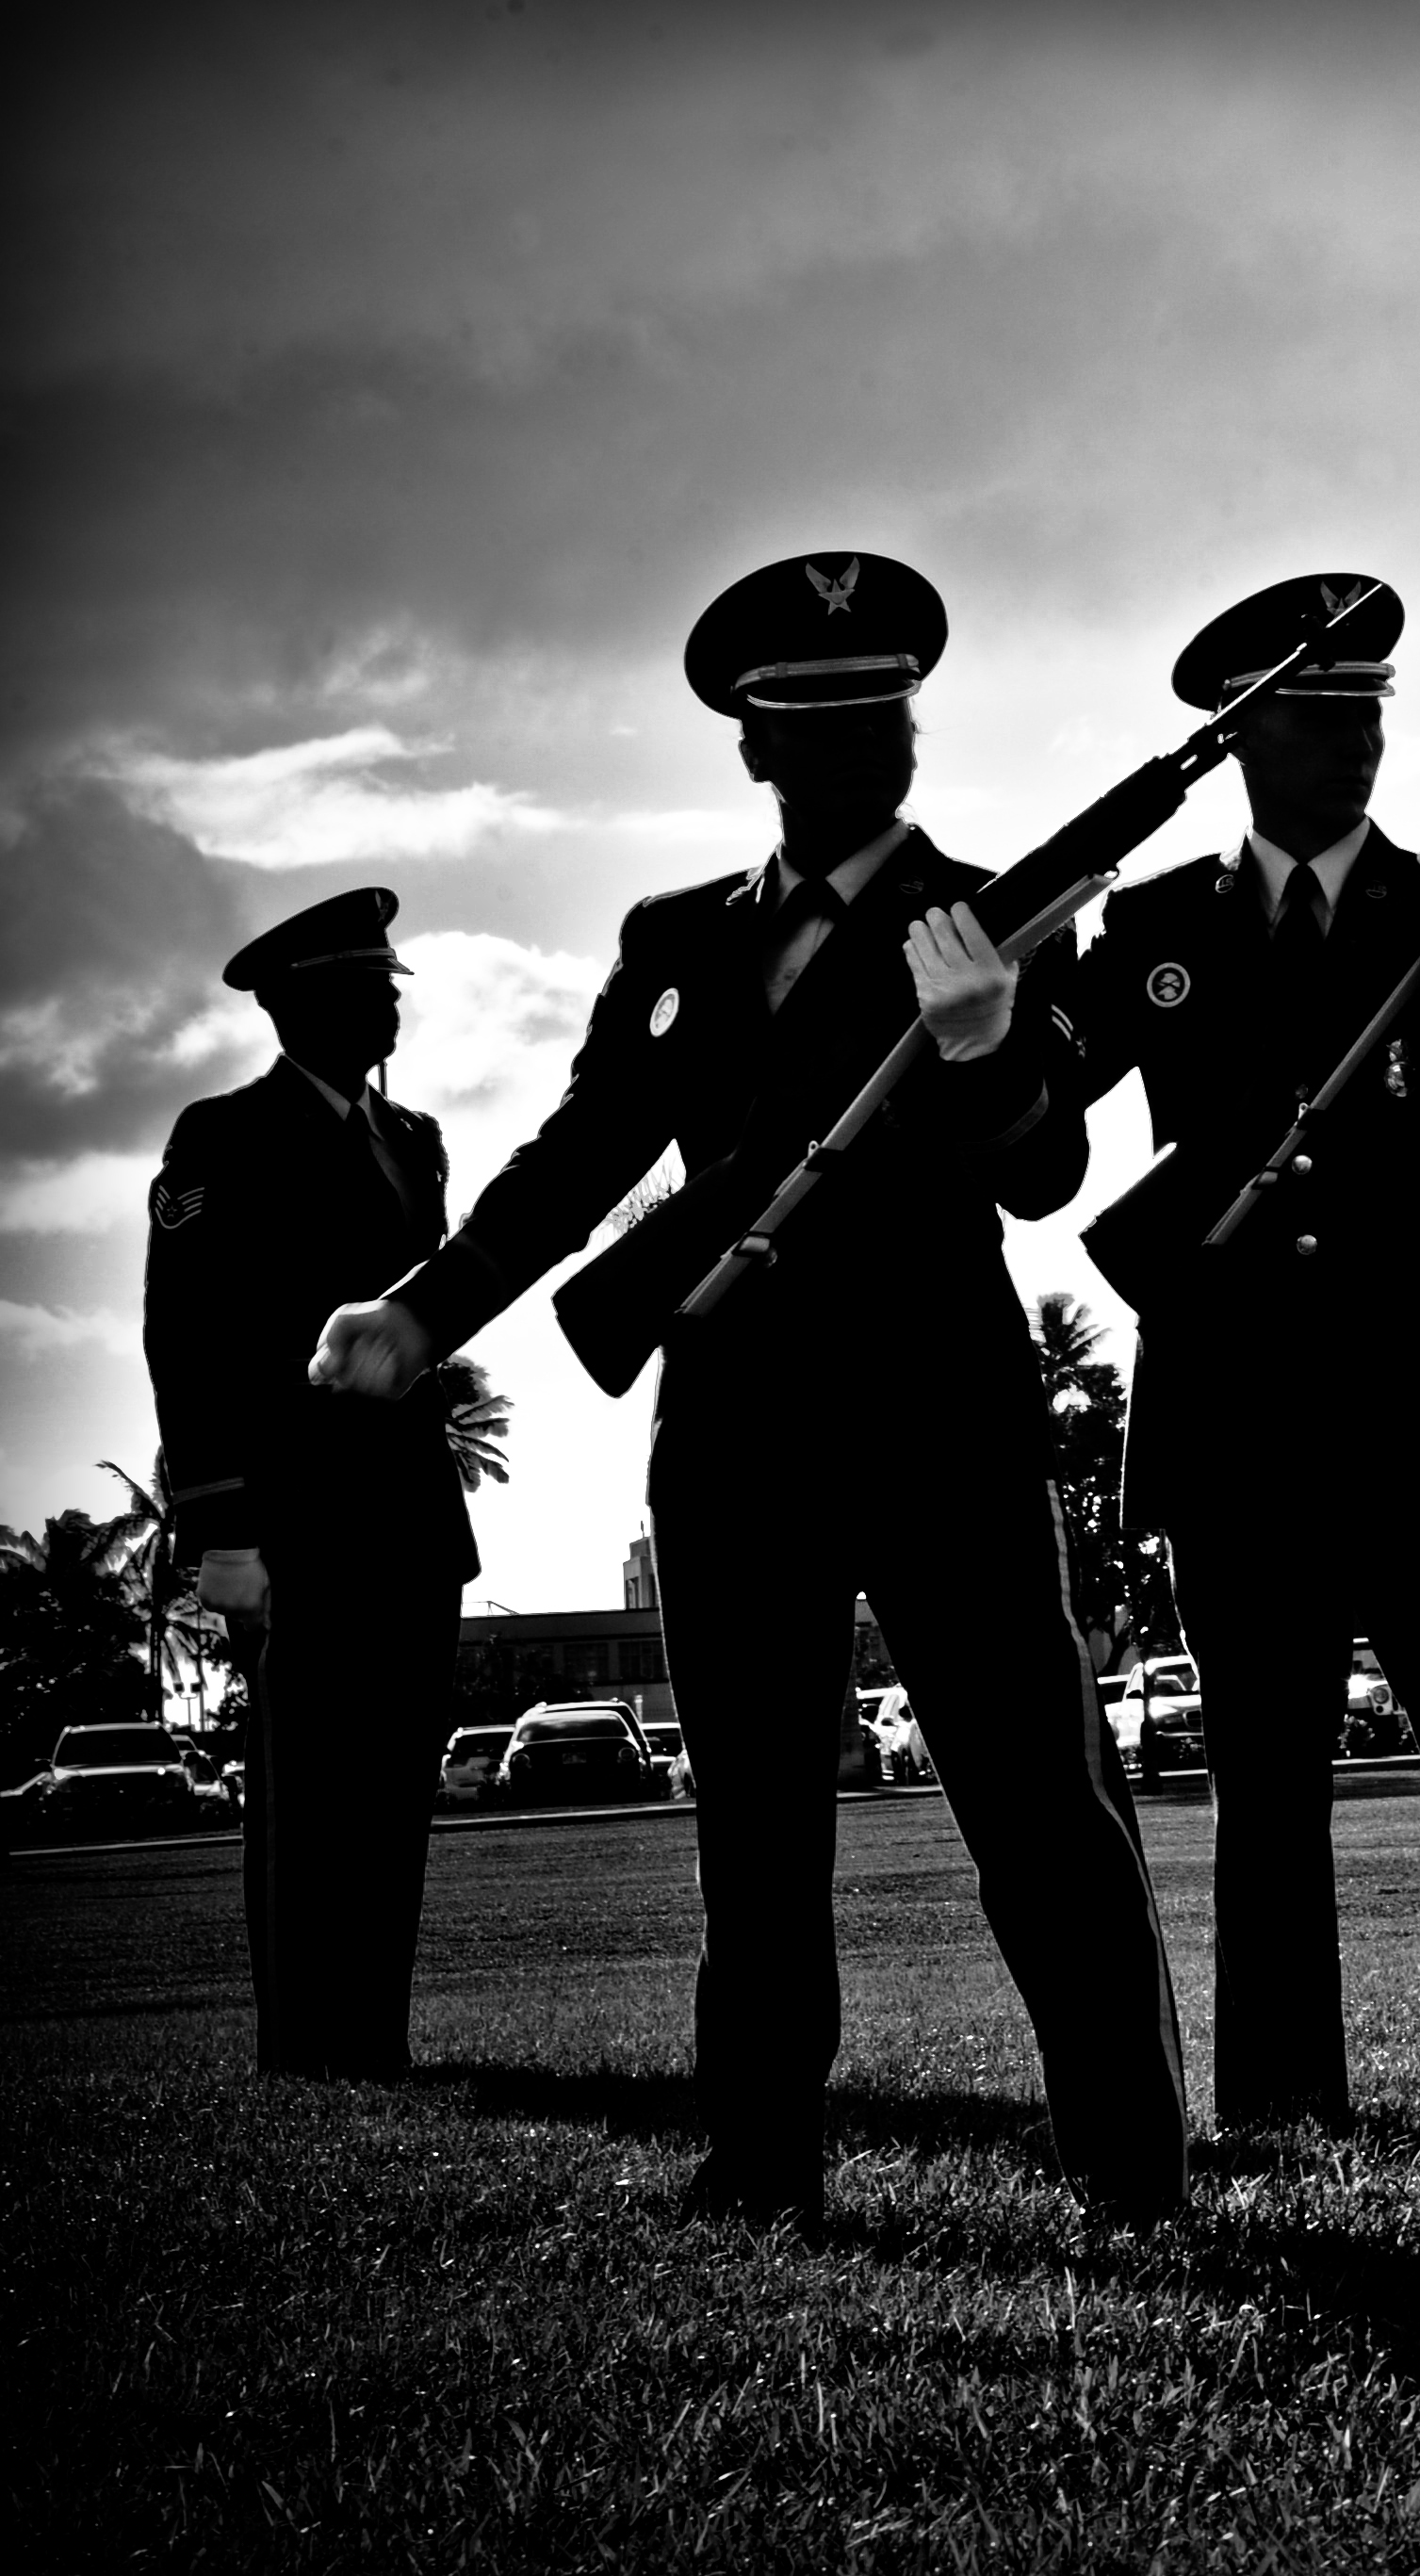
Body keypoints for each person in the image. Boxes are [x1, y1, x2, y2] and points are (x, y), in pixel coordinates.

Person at [310, 550, 1188, 2225]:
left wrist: (986, 1040)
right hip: (733, 1424)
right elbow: (578, 1158)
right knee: (757, 1827)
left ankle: (1132, 2162)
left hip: (939, 1414)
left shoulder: (996, 911)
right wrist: (426, 1310)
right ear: (752, 745)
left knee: (1039, 1806)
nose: (859, 748)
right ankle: (762, 2154)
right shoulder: (677, 942)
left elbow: (1043, 1174)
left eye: (883, 717)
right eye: (817, 721)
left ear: (914, 732)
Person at [1057, 571, 1420, 2127]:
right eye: (1313, 714)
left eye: (1366, 710)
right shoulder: (1158, 924)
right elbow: (1039, 1108)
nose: (1351, 740)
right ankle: (1283, 2094)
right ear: (1243, 737)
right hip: (1238, 1399)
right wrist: (986, 1007)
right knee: (1265, 1778)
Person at [142, 889, 476, 2079]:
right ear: (298, 1006)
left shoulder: (414, 1138)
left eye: (389, 983)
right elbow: (186, 1340)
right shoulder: (222, 1136)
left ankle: (372, 2037)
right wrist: (223, 1530)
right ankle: (304, 2046)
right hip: (297, 1518)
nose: (390, 1004)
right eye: (365, 986)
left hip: (410, 1516)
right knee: (309, 1793)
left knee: (390, 1793)